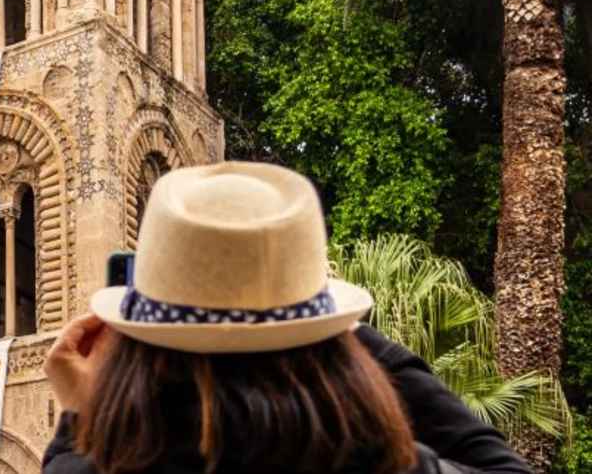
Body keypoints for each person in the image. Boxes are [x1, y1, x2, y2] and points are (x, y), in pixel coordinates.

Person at [42, 162, 531, 474]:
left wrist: (81, 413)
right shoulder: (375, 460)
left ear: (140, 348)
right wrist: (346, 332)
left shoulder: (103, 465)